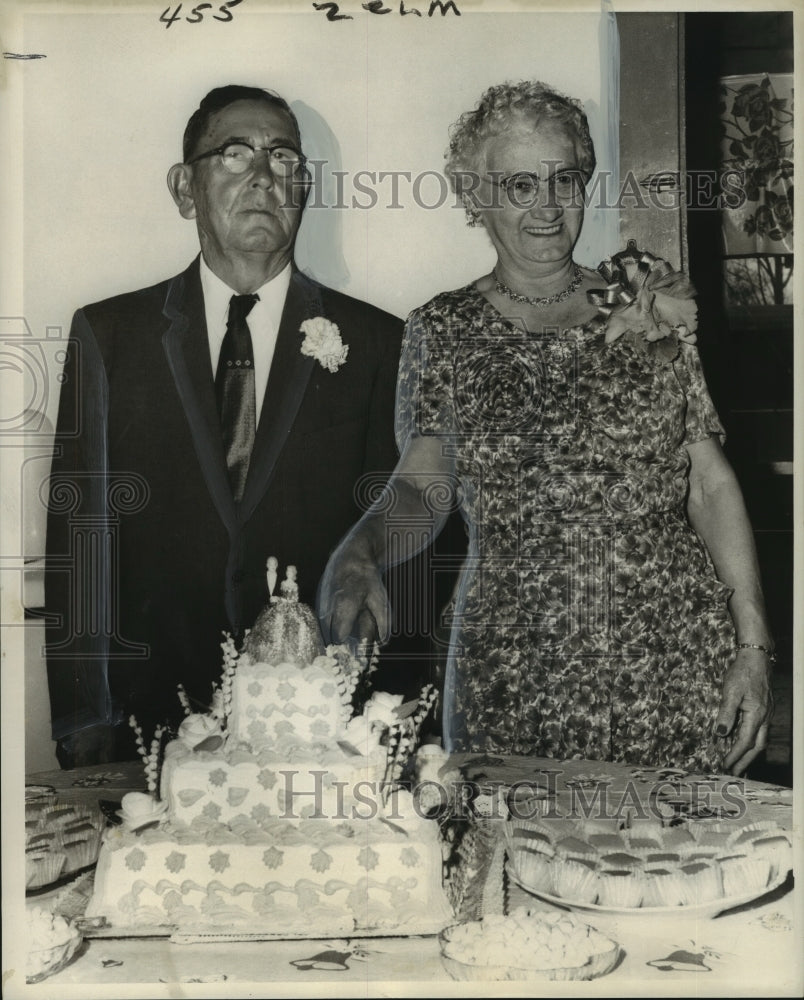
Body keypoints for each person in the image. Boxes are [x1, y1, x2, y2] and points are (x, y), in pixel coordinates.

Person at [319, 81, 775, 775]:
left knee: (669, 871)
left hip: (675, 655)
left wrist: (753, 645)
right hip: (515, 667)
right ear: (476, 196)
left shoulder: (647, 300)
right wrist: (359, 553)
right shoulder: (444, 330)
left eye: (564, 179)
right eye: (519, 185)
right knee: (517, 862)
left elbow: (709, 485)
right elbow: (422, 488)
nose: (548, 205)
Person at [45, 84, 404, 766]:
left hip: (323, 729)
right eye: (234, 154)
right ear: (185, 189)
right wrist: (83, 718)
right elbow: (81, 536)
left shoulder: (380, 341)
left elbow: (395, 533)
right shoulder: (110, 335)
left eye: (282, 157)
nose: (264, 175)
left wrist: (391, 713)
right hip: (149, 724)